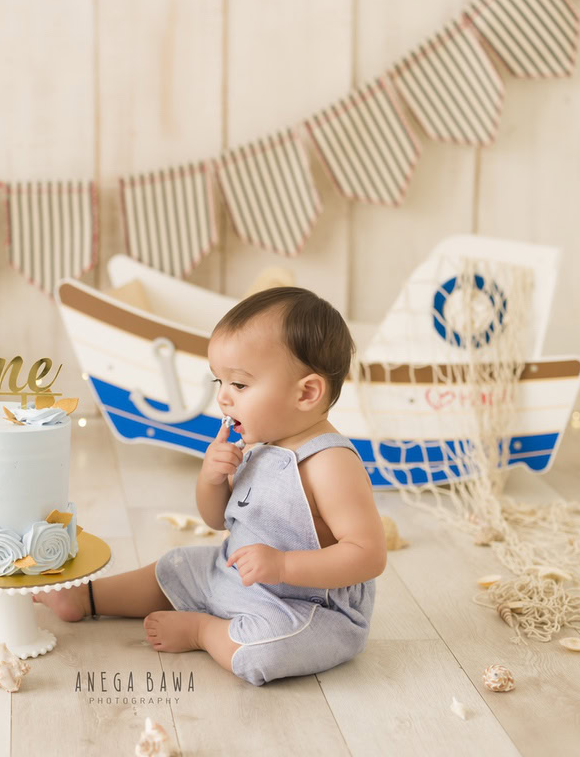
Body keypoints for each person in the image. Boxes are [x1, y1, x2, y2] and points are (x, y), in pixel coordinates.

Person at [34, 286, 386, 685]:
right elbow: (217, 519)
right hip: (232, 575)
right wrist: (211, 478)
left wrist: (284, 565)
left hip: (301, 606)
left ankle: (203, 631)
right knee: (177, 567)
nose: (222, 398)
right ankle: (86, 596)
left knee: (260, 653)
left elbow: (368, 555)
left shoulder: (329, 463)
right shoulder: (258, 443)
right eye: (219, 381)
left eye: (239, 385)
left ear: (306, 392)